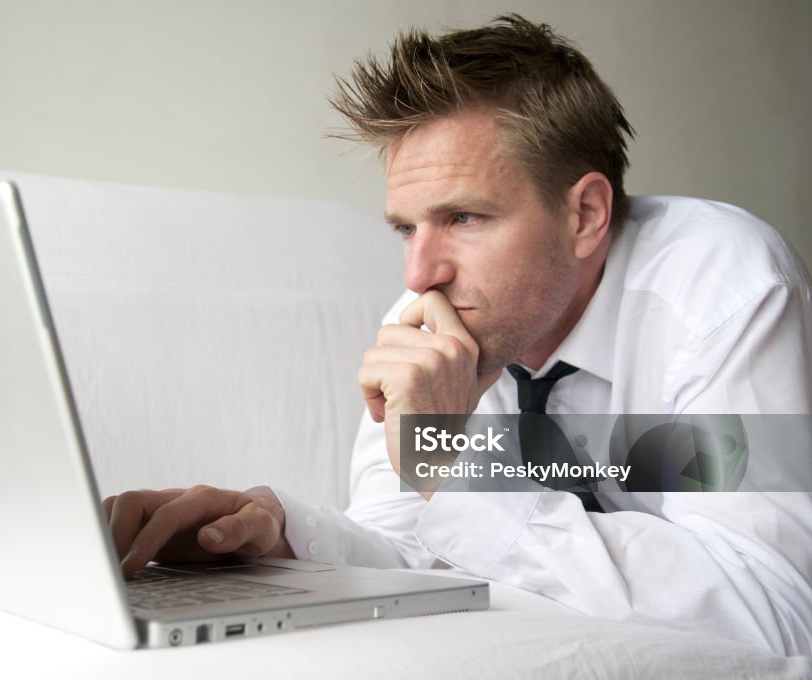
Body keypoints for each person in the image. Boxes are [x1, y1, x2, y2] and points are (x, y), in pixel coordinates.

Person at [104, 15, 812, 655]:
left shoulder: (722, 290)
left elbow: (777, 611)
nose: (420, 272)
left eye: (465, 218)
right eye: (407, 228)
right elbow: (418, 543)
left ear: (587, 215)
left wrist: (454, 466)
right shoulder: (434, 323)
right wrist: (281, 533)